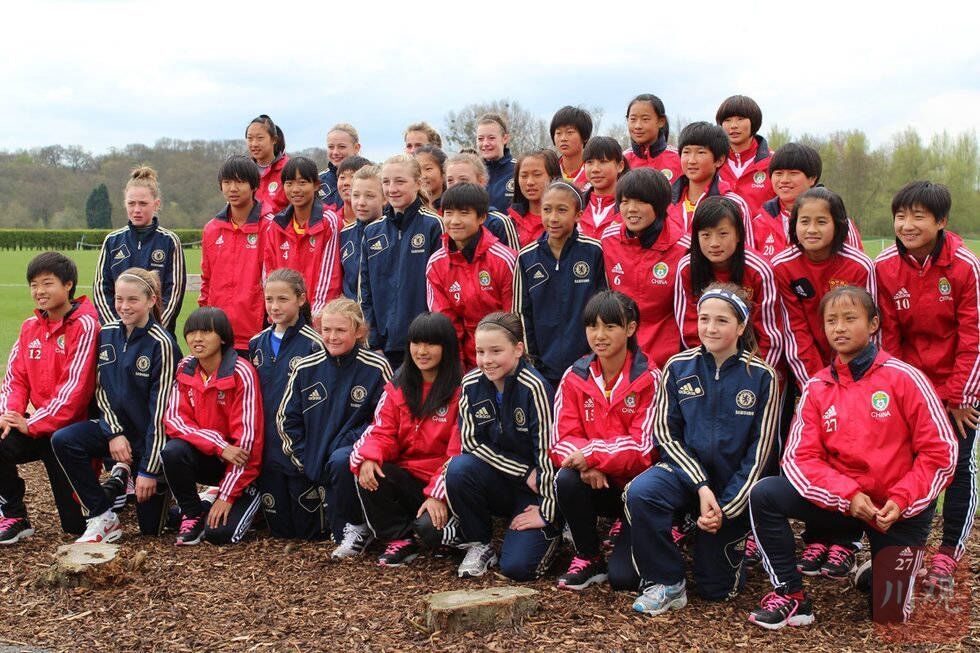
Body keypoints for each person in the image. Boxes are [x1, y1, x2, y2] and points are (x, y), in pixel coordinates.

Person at [747, 286, 956, 629]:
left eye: (849, 318)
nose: (839, 328)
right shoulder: (817, 387)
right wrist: (848, 496)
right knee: (766, 493)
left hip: (896, 510)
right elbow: (800, 459)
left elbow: (941, 453)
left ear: (873, 324)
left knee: (889, 615)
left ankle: (877, 570)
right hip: (844, 505)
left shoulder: (905, 378)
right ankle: (791, 595)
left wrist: (902, 499)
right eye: (831, 321)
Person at [628, 283, 778, 614]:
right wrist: (700, 485)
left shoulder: (762, 377)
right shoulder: (678, 367)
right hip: (687, 478)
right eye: (704, 319)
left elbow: (759, 456)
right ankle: (666, 581)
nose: (710, 328)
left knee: (717, 590)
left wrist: (724, 508)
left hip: (729, 491)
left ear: (741, 326)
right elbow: (666, 435)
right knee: (641, 492)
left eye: (722, 321)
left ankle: (713, 532)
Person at [874, 181, 980, 592]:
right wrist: (902, 393)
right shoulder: (885, 266)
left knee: (957, 466)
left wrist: (960, 397)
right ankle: (906, 551)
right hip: (912, 386)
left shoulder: (964, 266)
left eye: (918, 216)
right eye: (901, 216)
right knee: (907, 467)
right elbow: (890, 338)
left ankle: (949, 552)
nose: (907, 225)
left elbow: (972, 336)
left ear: (941, 221)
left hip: (959, 387)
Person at [51, 268, 179, 542]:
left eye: (133, 299)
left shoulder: (163, 344)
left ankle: (184, 502)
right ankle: (102, 515)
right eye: (119, 299)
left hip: (148, 443)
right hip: (117, 436)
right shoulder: (107, 332)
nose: (124, 306)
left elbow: (161, 414)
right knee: (64, 440)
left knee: (150, 531)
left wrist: (149, 470)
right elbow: (101, 391)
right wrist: (114, 433)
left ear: (151, 300)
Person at [550, 291, 661, 591]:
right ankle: (589, 556)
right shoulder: (575, 375)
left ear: (631, 328)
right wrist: (586, 464)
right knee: (567, 478)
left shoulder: (649, 378)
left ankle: (644, 531)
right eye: (592, 326)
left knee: (625, 579)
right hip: (597, 482)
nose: (599, 335)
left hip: (636, 490)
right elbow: (560, 439)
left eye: (610, 326)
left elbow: (643, 448)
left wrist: (592, 455)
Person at [444, 313, 559, 580]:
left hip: (536, 490)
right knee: (459, 468)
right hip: (504, 480)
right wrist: (522, 471)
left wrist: (548, 511)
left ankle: (557, 527)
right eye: (480, 352)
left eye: (496, 351)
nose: (486, 360)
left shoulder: (534, 388)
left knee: (518, 568)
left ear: (518, 349)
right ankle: (479, 543)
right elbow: (471, 442)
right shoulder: (471, 384)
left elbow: (548, 452)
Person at [278, 298, 392, 553]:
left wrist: (348, 443)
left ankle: (360, 525)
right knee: (308, 532)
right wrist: (305, 458)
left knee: (341, 460)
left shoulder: (376, 367)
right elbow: (287, 419)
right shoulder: (306, 368)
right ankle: (352, 526)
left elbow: (385, 419)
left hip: (353, 460)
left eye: (341, 330)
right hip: (314, 464)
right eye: (327, 330)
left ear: (359, 331)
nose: (332, 337)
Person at [349, 312, 462, 566]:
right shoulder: (398, 386)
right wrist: (369, 457)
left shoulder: (461, 390)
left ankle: (454, 535)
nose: (422, 351)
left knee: (431, 531)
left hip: (445, 483)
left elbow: (459, 453)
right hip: (409, 479)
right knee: (369, 468)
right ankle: (399, 539)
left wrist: (437, 494)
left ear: (447, 347)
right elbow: (381, 431)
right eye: (416, 343)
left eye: (431, 344)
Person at [0, 252, 98, 543]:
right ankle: (14, 515)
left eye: (47, 283)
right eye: (34, 285)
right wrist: (9, 415)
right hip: (39, 427)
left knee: (74, 525)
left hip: (71, 433)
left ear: (68, 285)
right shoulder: (30, 327)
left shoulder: (85, 325)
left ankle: (112, 491)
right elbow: (15, 379)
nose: (39, 291)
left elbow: (75, 391)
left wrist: (33, 423)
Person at [162, 307, 263, 546]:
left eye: (206, 332)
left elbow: (247, 444)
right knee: (173, 451)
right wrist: (218, 445)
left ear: (223, 338)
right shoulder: (185, 366)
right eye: (191, 332)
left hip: (242, 468)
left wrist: (227, 496)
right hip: (215, 455)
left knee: (220, 534)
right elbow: (174, 420)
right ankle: (193, 512)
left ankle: (242, 496)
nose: (197, 338)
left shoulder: (241, 372)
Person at [773, 187, 876, 388]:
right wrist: (817, 385)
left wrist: (857, 381)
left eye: (821, 222)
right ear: (794, 225)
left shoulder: (860, 266)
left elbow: (871, 330)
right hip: (810, 371)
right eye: (804, 221)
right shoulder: (782, 266)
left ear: (838, 225)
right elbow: (796, 332)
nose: (811, 229)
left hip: (858, 372)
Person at [248, 269, 325, 539]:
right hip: (267, 452)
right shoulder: (256, 343)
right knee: (279, 530)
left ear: (301, 299)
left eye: (283, 299)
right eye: (269, 299)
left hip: (299, 452)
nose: (274, 306)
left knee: (309, 532)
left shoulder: (315, 344)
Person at [513, 181, 607, 388]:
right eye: (547, 210)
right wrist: (532, 362)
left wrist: (595, 356)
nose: (553, 218)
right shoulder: (526, 257)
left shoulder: (594, 251)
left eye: (562, 210)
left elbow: (604, 307)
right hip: (542, 369)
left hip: (588, 365)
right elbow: (521, 313)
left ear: (578, 215)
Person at [674, 196, 783, 371]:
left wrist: (757, 374)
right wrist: (710, 370)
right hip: (706, 363)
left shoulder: (759, 270)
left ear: (739, 234)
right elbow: (689, 329)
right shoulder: (687, 268)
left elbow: (769, 336)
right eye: (706, 235)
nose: (714, 243)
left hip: (753, 363)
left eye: (723, 234)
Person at [360, 154, 444, 369]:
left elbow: (440, 288)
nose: (392, 189)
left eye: (400, 181)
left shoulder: (433, 225)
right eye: (386, 182)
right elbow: (365, 292)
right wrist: (373, 342)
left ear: (418, 183)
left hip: (423, 343)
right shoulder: (372, 231)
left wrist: (431, 337)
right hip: (383, 347)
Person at [600, 168, 687, 368]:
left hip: (667, 360)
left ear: (660, 205)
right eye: (624, 201)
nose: (631, 209)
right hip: (619, 355)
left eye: (640, 202)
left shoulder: (683, 248)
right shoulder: (608, 240)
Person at [426, 183, 516, 369]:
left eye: (464, 213)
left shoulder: (504, 259)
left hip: (504, 360)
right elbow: (446, 324)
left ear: (482, 217)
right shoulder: (436, 264)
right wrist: (457, 368)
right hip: (464, 363)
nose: (454, 221)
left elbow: (513, 319)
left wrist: (502, 363)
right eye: (448, 213)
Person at [93, 165, 186, 333]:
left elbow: (173, 294)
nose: (136, 210)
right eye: (131, 203)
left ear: (156, 204)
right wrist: (117, 331)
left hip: (157, 335)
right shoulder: (112, 241)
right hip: (118, 337)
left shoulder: (169, 241)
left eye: (143, 203)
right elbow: (101, 291)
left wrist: (151, 331)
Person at [200, 155, 267, 355]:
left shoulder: (270, 226)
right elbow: (207, 279)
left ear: (254, 185)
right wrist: (204, 319)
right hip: (218, 333)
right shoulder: (212, 229)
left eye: (240, 182)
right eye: (227, 182)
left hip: (257, 333)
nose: (233, 188)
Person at [752, 143, 863, 260]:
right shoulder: (759, 222)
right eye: (778, 173)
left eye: (793, 173)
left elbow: (855, 265)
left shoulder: (837, 220)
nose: (784, 180)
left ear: (812, 178)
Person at [262, 156, 342, 316]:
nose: (295, 189)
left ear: (316, 185)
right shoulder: (276, 225)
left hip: (317, 317)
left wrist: (314, 318)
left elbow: (329, 278)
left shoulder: (329, 221)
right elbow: (269, 274)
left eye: (302, 182)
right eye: (289, 183)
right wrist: (276, 313)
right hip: (283, 317)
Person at [666, 122, 752, 244]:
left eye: (701, 152)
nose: (691, 160)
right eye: (686, 152)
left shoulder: (734, 204)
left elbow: (745, 251)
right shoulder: (665, 201)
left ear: (719, 160)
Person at [716, 95, 775, 218]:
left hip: (763, 230)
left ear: (754, 122)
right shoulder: (713, 162)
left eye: (740, 119)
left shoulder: (774, 162)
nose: (733, 125)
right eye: (727, 120)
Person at [444, 152, 519, 249]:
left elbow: (513, 257)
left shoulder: (498, 222)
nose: (456, 185)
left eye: (463, 180)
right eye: (450, 180)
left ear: (481, 181)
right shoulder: (445, 220)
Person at [340, 165, 384, 299]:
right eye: (356, 195)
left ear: (385, 198)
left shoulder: (394, 233)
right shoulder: (344, 234)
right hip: (350, 310)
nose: (361, 202)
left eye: (369, 196)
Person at [507, 149, 561, 248]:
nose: (530, 182)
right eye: (524, 176)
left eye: (537, 175)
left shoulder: (565, 221)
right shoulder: (509, 223)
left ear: (553, 177)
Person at [622, 94, 681, 182]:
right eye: (633, 119)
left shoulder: (679, 159)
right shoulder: (622, 161)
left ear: (661, 121)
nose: (638, 126)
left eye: (645, 119)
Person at [580, 137, 629, 239]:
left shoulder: (632, 206)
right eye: (589, 162)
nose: (595, 169)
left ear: (620, 166)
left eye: (603, 161)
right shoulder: (575, 204)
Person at [246, 114, 289, 214]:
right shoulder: (243, 171)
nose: (254, 144)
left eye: (260, 138)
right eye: (250, 138)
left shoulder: (289, 169)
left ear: (274, 139)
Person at [476, 113, 516, 210]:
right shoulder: (472, 172)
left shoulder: (518, 170)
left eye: (491, 138)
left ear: (505, 138)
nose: (485, 143)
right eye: (480, 139)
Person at [319, 123, 361, 211]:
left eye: (341, 147)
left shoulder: (372, 179)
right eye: (331, 147)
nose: (335, 152)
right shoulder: (318, 182)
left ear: (356, 148)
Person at [550, 105, 593, 189]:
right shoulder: (550, 172)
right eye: (558, 133)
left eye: (570, 132)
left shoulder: (595, 173)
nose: (563, 138)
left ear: (585, 137)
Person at [334, 155, 373, 227]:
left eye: (353, 177)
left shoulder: (380, 223)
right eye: (342, 177)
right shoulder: (331, 222)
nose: (346, 183)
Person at [414, 145, 447, 211]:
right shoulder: (410, 206)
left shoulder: (451, 206)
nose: (422, 176)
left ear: (443, 172)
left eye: (428, 169)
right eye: (418, 170)